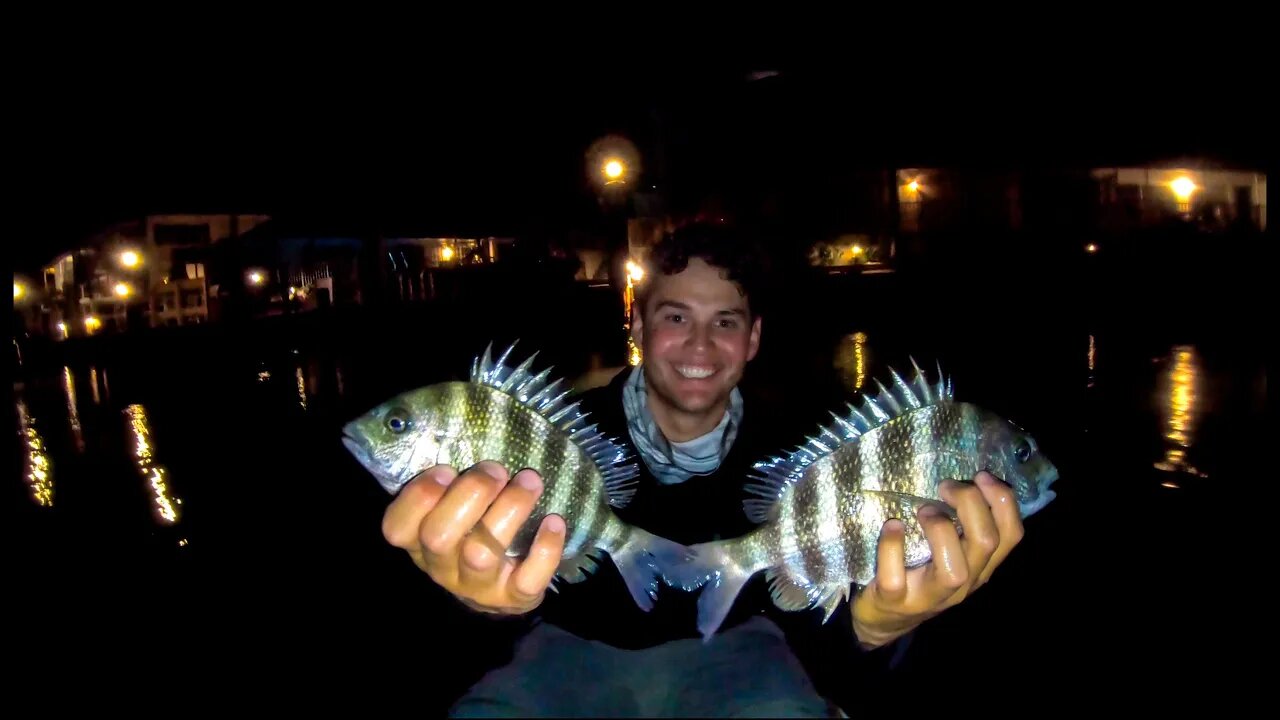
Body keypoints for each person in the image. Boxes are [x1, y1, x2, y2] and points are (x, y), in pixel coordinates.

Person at [379, 223, 1028, 717]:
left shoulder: (805, 456)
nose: (698, 346)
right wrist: (474, 605)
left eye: (725, 322)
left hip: (745, 655)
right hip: (563, 648)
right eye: (674, 317)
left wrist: (878, 630)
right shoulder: (557, 433)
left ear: (752, 340)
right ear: (635, 325)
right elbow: (439, 661)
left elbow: (831, 664)